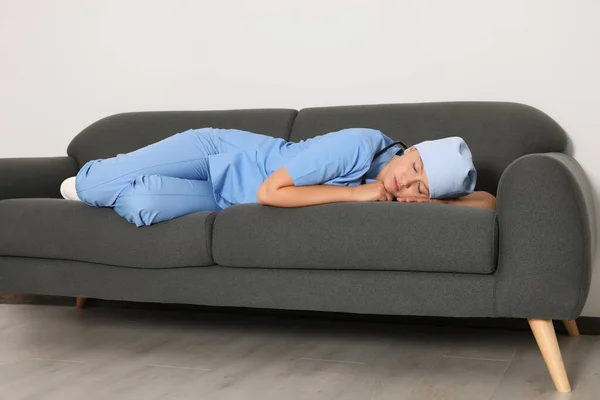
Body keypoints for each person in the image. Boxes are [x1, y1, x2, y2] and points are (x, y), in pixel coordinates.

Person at [60, 127, 496, 227]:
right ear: (413, 149)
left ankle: (121, 185)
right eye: (415, 168)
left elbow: (490, 202)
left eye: (421, 187)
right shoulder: (360, 146)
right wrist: (358, 195)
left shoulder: (411, 194)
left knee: (142, 205)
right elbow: (271, 192)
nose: (407, 183)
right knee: (91, 186)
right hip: (219, 156)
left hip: (227, 199)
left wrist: (436, 200)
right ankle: (101, 177)